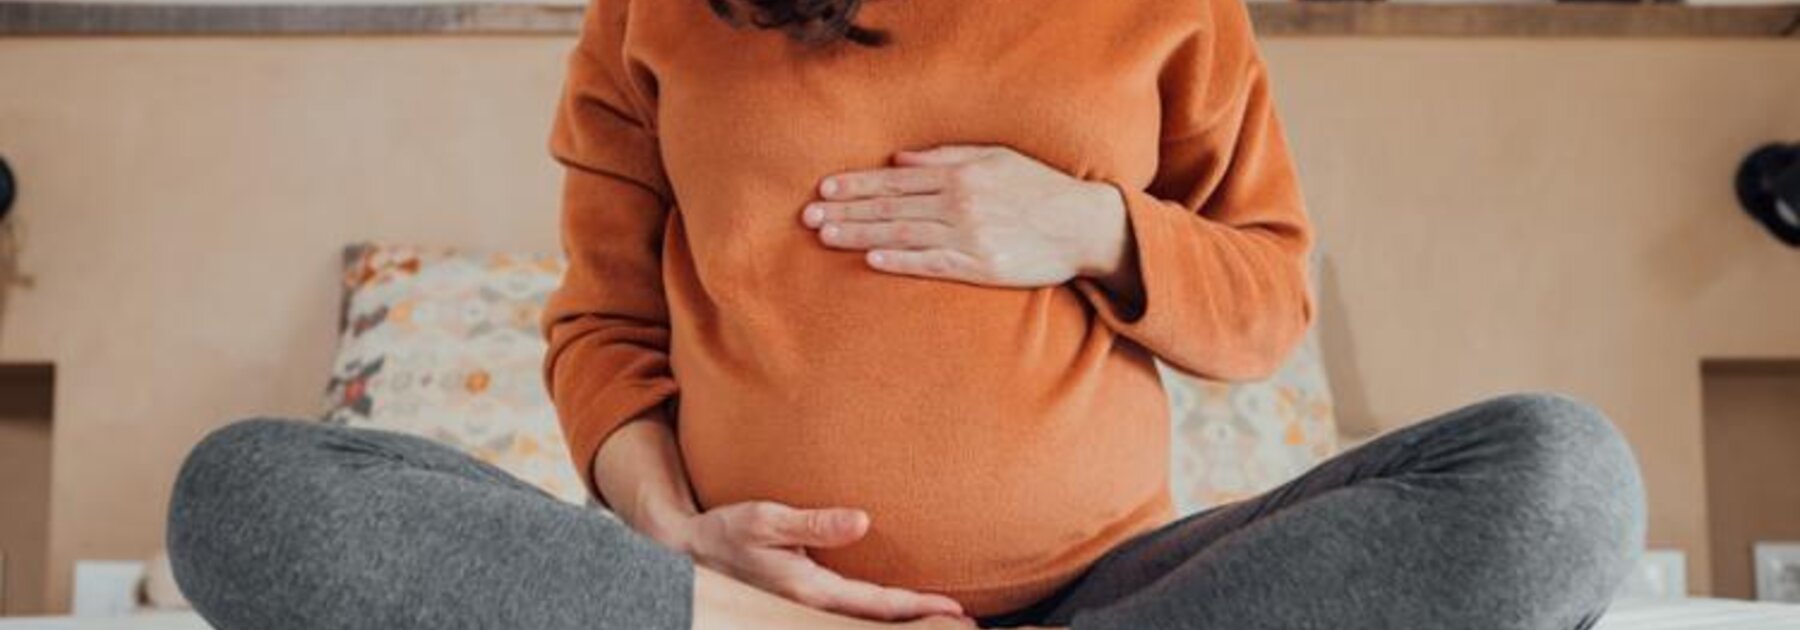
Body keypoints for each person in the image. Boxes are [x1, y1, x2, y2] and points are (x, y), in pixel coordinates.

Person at [165, 0, 1647, 628]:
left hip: (1112, 590)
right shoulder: (657, 11)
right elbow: (604, 330)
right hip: (737, 610)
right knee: (248, 493)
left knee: (1564, 476)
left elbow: (1266, 298)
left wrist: (1083, 225)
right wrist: (674, 535)